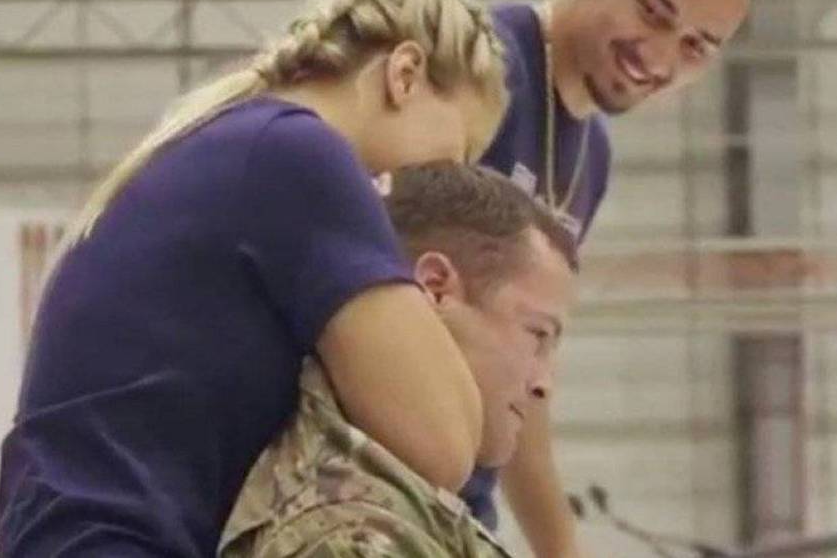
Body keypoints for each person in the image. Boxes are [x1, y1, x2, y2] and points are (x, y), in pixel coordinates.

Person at [0, 0, 509, 557]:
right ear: (405, 74)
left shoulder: (222, 145)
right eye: (457, 153)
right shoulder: (298, 154)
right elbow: (444, 440)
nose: (449, 180)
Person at [473, 0, 762, 555]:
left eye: (696, 47)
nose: (658, 58)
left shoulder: (592, 159)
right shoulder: (483, 70)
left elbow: (524, 376)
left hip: (452, 504)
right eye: (653, 13)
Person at [220, 162, 577, 558]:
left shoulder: (406, 504)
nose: (544, 384)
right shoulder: (352, 538)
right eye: (537, 334)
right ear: (435, 287)